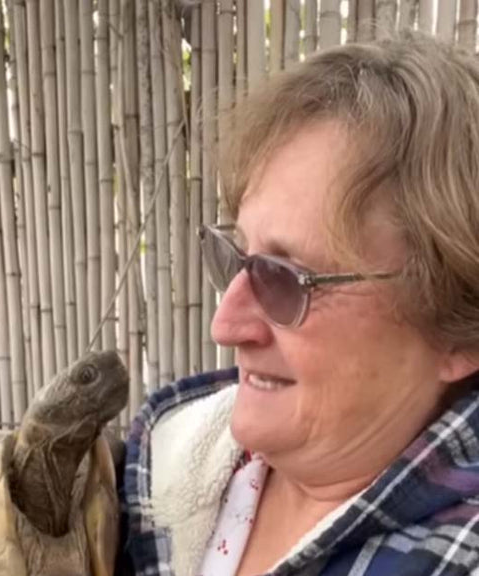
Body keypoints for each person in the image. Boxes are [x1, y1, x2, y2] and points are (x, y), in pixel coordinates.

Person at [121, 32, 479, 575]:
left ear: (458, 330)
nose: (226, 324)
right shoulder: (160, 470)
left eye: (285, 280)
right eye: (236, 259)